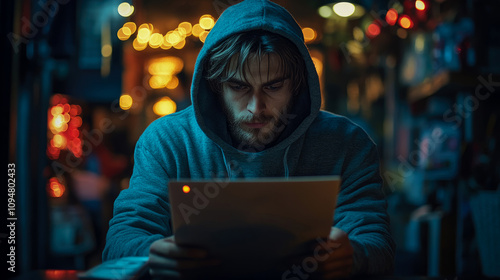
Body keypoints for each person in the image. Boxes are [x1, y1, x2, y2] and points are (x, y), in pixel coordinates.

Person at [103, 0, 395, 279]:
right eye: (239, 86)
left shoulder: (346, 143)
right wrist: (150, 255)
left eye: (274, 86)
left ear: (297, 84)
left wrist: (352, 254)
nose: (256, 107)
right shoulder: (166, 142)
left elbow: (376, 241)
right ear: (216, 86)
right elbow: (121, 240)